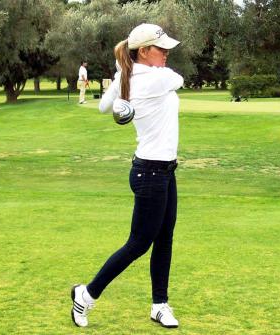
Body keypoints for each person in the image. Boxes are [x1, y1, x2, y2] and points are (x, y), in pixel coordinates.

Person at [71, 23, 183, 329]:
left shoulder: (127, 75)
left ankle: (159, 305)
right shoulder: (156, 78)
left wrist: (124, 98)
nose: (167, 54)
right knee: (139, 243)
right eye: (161, 49)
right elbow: (179, 79)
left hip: (164, 170)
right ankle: (86, 294)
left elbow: (105, 107)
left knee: (164, 239)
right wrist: (127, 92)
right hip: (150, 172)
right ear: (144, 51)